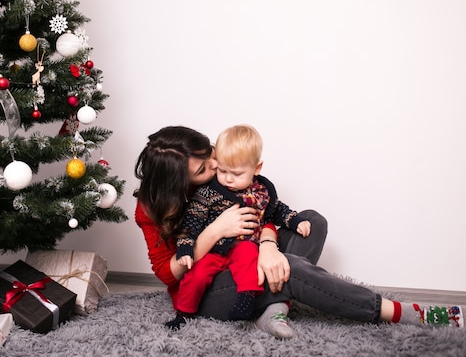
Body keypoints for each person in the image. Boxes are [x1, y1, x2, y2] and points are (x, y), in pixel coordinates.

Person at [134, 125, 464, 338]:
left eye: (213, 159)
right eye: (205, 168)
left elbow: (260, 212)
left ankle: (274, 306)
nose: (215, 168)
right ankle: (400, 312)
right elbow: (168, 274)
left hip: (247, 254)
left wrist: (267, 245)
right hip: (207, 288)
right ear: (177, 181)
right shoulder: (153, 208)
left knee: (311, 222)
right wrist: (214, 231)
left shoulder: (222, 175)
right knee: (292, 270)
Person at [166, 125, 311, 335]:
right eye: (222, 171)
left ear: (257, 168)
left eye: (236, 173)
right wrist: (186, 247)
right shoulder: (208, 192)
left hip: (245, 245)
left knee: (248, 256)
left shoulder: (262, 191)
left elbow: (276, 210)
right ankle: (183, 314)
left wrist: (294, 220)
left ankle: (246, 297)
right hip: (215, 251)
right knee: (197, 274)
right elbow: (192, 221)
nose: (228, 179)